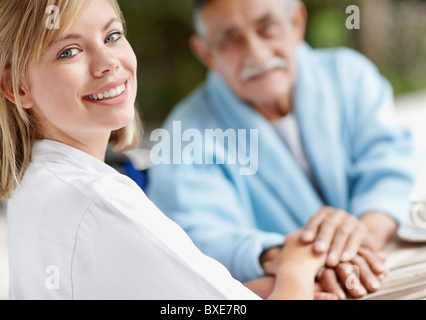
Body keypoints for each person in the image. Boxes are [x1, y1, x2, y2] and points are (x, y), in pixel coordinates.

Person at [0, 0, 332, 300]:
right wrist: (297, 266)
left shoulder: (36, 183)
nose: (107, 62)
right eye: (68, 51)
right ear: (16, 87)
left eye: (112, 36)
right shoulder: (101, 201)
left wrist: (264, 287)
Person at [147, 0, 416, 299]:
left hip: (378, 264)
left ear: (297, 22)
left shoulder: (350, 75)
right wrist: (293, 259)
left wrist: (362, 236)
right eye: (230, 39)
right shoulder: (185, 133)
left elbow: (390, 167)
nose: (257, 54)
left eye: (268, 28)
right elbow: (196, 236)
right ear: (206, 52)